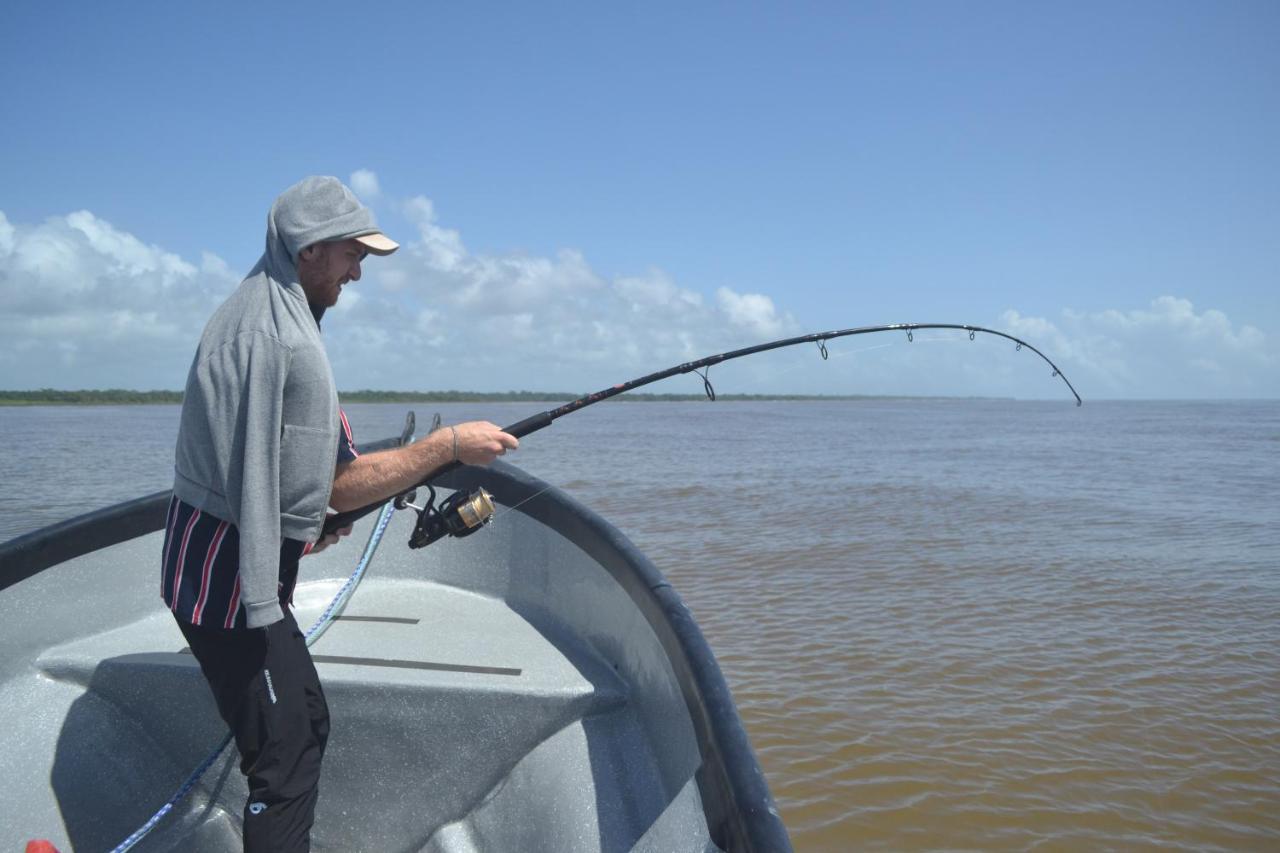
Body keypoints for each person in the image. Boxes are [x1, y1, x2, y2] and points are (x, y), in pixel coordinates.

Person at [162, 176, 517, 852]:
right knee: (285, 764)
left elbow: (270, 462)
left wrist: (307, 518)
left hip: (226, 574)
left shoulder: (264, 310)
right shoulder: (277, 339)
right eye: (353, 254)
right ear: (308, 250)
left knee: (308, 722)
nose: (358, 272)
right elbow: (342, 481)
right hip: (230, 593)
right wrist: (448, 445)